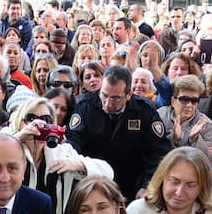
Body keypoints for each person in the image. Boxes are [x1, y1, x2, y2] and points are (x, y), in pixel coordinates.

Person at [3, 96, 113, 214]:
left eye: (46, 120)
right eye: (31, 118)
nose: (39, 124)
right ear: (20, 122)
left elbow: (107, 172)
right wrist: (19, 137)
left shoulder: (60, 150)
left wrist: (78, 165)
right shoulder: (8, 140)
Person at [66, 66, 171, 200]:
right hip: (93, 180)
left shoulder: (144, 110)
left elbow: (159, 151)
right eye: (104, 95)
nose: (108, 104)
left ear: (128, 95)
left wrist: (147, 185)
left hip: (132, 184)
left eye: (116, 98)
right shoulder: (85, 106)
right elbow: (73, 140)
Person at [157, 75, 212, 158]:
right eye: (184, 99)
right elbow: (153, 151)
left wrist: (195, 139)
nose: (189, 105)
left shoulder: (205, 124)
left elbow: (208, 160)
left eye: (194, 101)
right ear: (173, 101)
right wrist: (174, 138)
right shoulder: (160, 116)